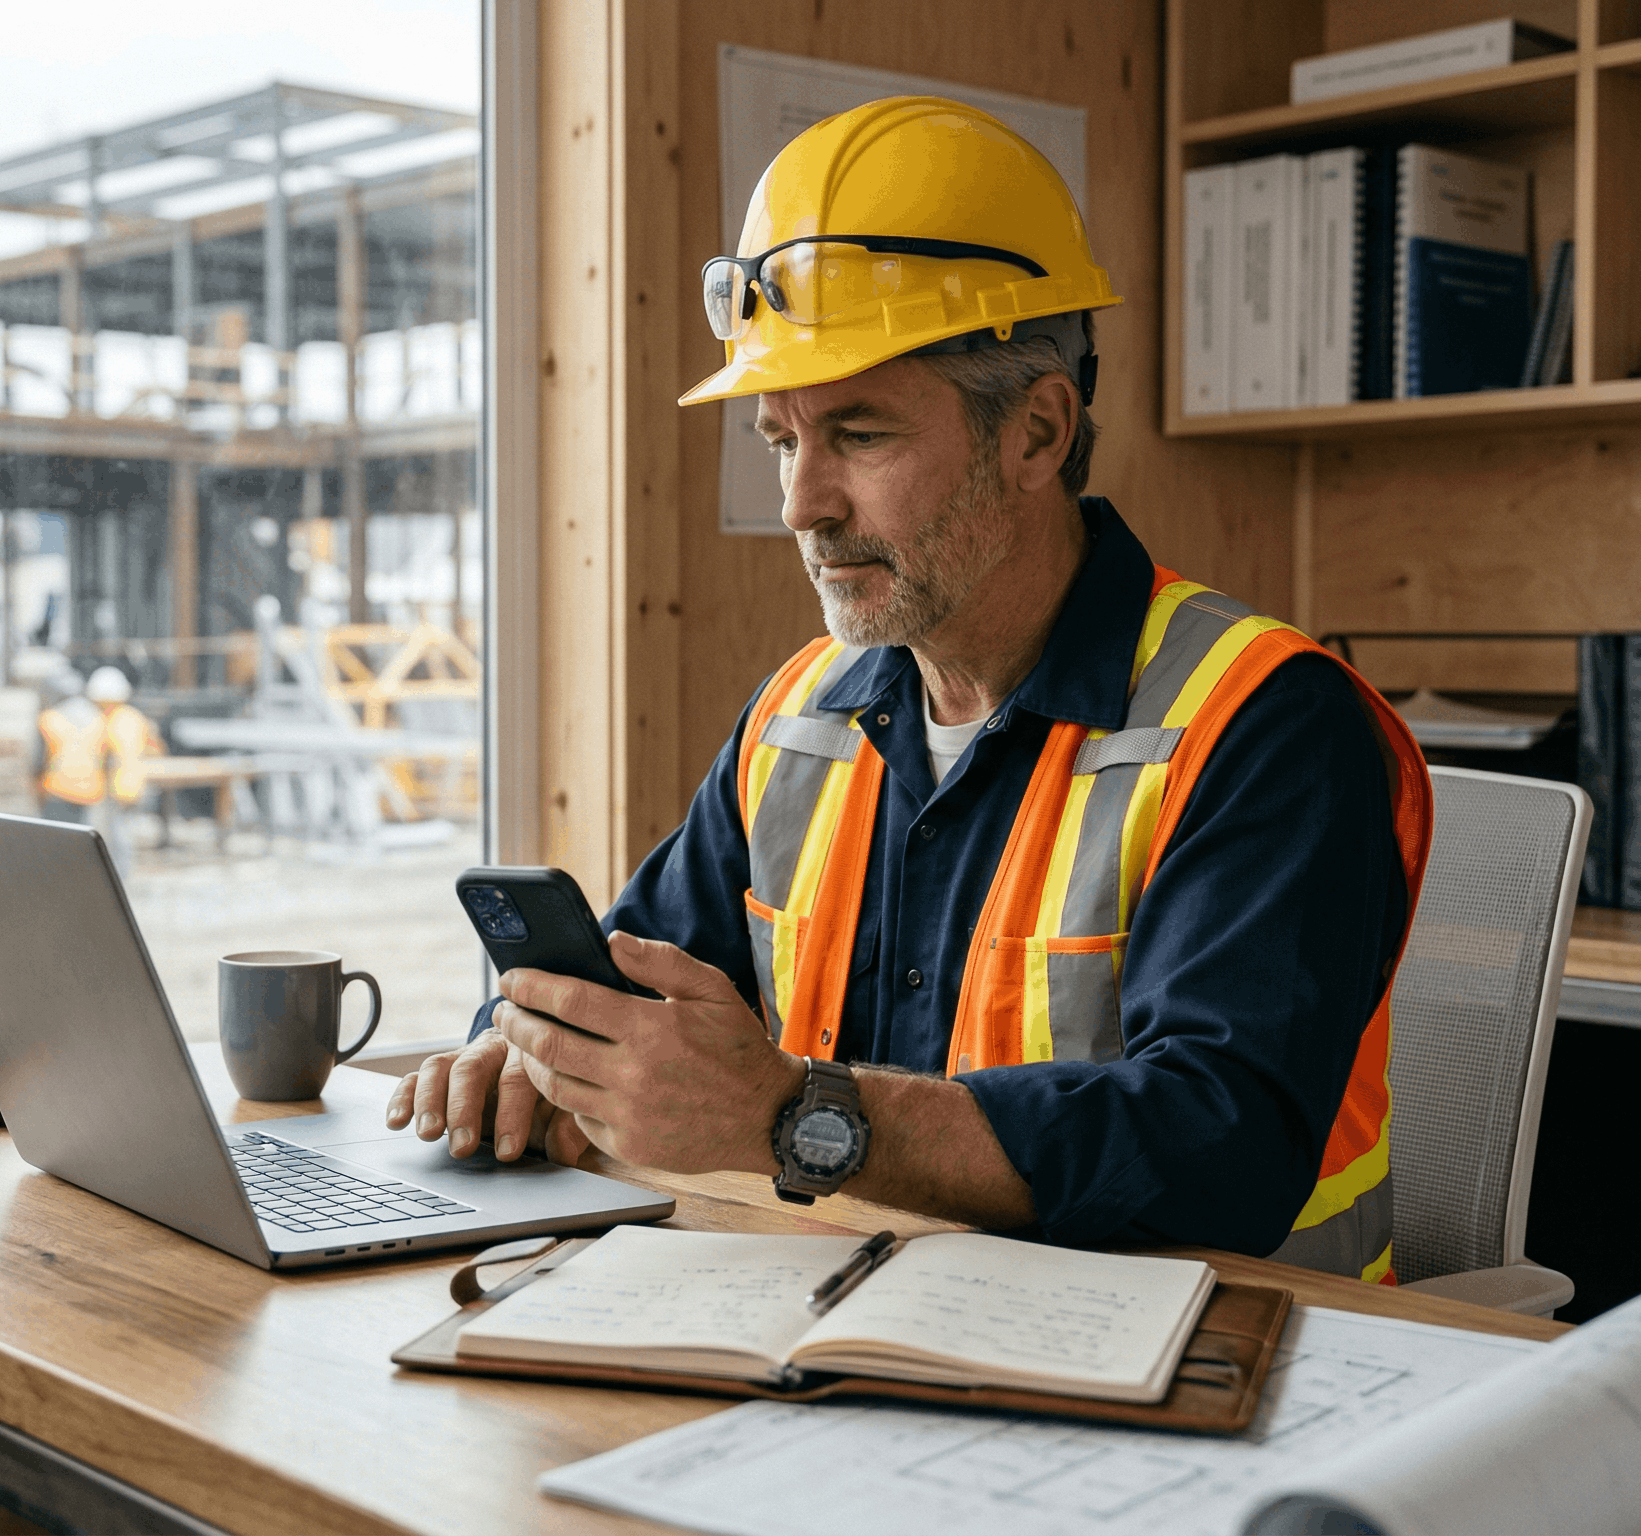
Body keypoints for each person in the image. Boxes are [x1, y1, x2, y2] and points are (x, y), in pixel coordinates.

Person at [387, 97, 1432, 1282]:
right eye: (783, 440)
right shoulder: (799, 719)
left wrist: (794, 1114)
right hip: (860, 1338)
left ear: (1037, 433)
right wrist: (528, 1055)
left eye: (860, 434)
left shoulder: (1267, 722)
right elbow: (637, 984)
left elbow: (1218, 1153)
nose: (801, 505)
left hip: (1220, 1382)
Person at [87, 665, 165, 853]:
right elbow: (156, 750)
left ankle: (120, 875)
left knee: (114, 836)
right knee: (122, 832)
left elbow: (101, 755)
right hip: (136, 785)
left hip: (113, 788)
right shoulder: (135, 717)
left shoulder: (105, 721)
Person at [33, 668, 105, 824]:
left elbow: (38, 761)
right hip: (90, 790)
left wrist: (36, 790)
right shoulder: (98, 718)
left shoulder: (48, 719)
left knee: (55, 842)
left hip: (57, 790)